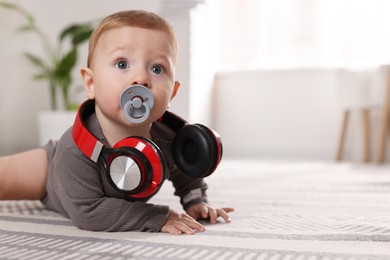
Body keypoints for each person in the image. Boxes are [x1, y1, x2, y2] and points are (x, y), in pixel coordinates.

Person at [0, 10, 234, 235]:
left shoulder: (168, 139)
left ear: (172, 92)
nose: (141, 78)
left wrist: (195, 201)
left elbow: (186, 173)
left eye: (156, 68)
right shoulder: (75, 149)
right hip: (49, 171)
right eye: (122, 64)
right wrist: (156, 216)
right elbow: (88, 213)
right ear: (91, 83)